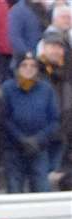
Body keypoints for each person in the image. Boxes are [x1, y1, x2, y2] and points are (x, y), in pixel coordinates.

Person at [1, 51, 61, 190]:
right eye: (24, 65)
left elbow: (54, 120)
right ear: (17, 68)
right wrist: (20, 138)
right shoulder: (8, 88)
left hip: (39, 148)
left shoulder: (46, 89)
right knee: (14, 189)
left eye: (33, 66)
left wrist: (38, 139)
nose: (28, 68)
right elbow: (4, 118)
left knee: (42, 189)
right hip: (14, 149)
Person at [39, 27, 71, 170]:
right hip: (41, 133)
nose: (56, 50)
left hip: (64, 130)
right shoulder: (33, 69)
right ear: (44, 48)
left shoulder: (67, 71)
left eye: (59, 46)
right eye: (52, 46)